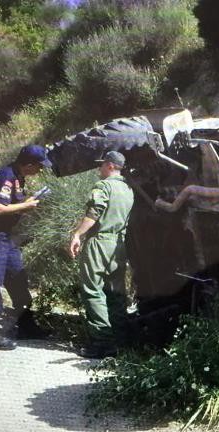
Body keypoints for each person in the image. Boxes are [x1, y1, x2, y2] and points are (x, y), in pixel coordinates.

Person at [0, 145, 52, 350]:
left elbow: (10, 205)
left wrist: (27, 202)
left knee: (17, 278)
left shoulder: (17, 176)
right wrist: (25, 206)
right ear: (30, 164)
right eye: (39, 166)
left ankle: (25, 325)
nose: (40, 170)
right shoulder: (6, 176)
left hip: (5, 237)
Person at [69, 151, 134, 358]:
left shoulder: (104, 186)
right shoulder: (128, 188)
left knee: (93, 291)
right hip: (119, 244)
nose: (100, 169)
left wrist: (78, 234)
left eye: (102, 165)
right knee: (116, 293)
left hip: (100, 242)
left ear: (110, 166)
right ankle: (122, 340)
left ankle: (102, 342)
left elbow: (94, 213)